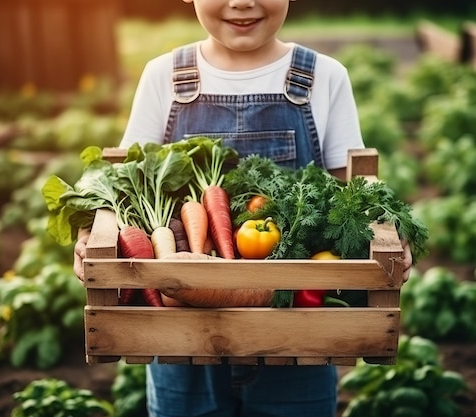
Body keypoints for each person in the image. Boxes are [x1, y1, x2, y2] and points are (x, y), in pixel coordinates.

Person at [74, 1, 413, 416]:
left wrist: (389, 231)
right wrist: (93, 234)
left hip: (300, 338)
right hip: (179, 337)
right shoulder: (164, 77)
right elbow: (120, 179)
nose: (242, 2)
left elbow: (356, 188)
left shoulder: (323, 77)